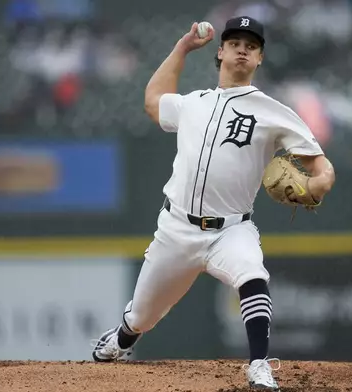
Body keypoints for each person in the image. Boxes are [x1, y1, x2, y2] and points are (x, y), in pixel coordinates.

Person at [91, 16, 336, 390]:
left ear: (260, 59)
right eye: (235, 42)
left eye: (251, 46)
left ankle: (258, 365)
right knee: (142, 316)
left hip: (232, 229)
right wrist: (183, 47)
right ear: (220, 51)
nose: (242, 49)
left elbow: (321, 166)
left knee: (252, 275)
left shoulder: (273, 111)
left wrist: (318, 185)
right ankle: (123, 337)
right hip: (176, 230)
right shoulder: (193, 104)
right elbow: (153, 102)